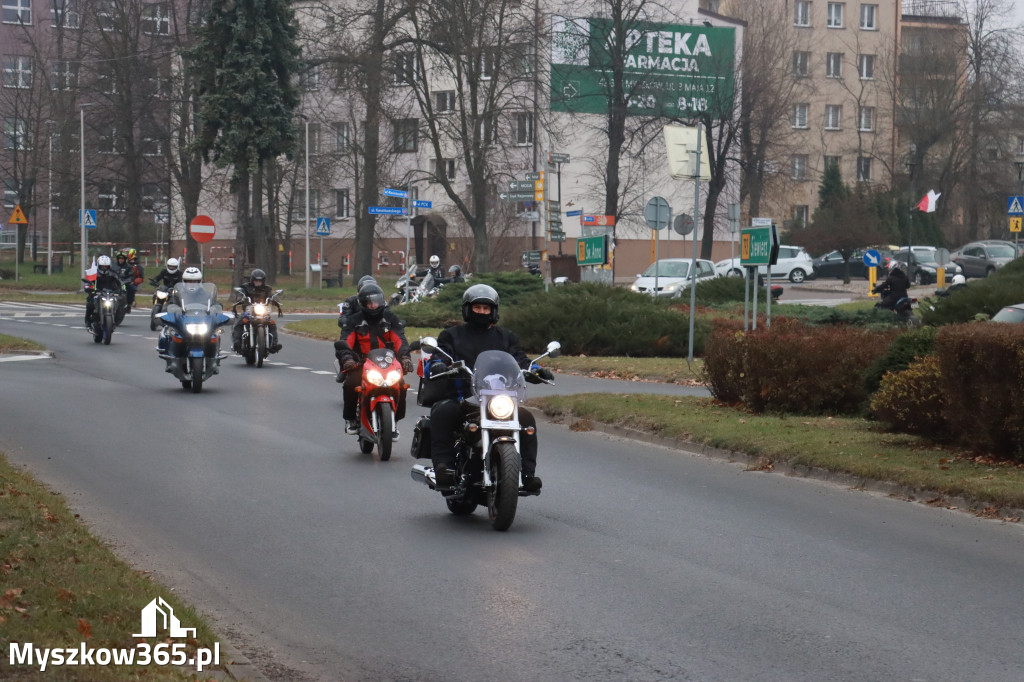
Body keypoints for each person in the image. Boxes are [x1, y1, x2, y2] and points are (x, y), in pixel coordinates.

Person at [424, 284, 552, 492]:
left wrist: (536, 370)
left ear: (494, 311)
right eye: (477, 308)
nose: (482, 312)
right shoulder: (451, 335)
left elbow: (520, 359)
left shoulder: (506, 337)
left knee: (526, 418)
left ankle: (526, 474)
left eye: (486, 308)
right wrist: (439, 364)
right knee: (443, 411)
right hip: (464, 397)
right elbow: (440, 354)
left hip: (499, 397)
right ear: (467, 309)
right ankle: (444, 467)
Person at [333, 284, 412, 435]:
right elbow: (345, 342)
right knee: (351, 383)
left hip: (387, 363)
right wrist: (348, 358)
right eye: (369, 302)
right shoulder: (353, 321)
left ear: (382, 301)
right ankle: (351, 419)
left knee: (401, 384)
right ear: (362, 303)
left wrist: (405, 357)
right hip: (361, 363)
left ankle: (394, 420)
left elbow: (400, 340)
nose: (373, 305)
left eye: (376, 301)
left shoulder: (390, 319)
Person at [231, 268, 283, 353]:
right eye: (256, 281)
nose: (258, 282)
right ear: (252, 280)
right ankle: (237, 344)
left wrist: (275, 300)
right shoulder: (246, 287)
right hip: (249, 311)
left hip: (263, 311)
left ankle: (273, 344)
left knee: (272, 324)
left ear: (263, 281)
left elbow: (272, 295)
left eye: (260, 281)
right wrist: (240, 298)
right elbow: (240, 293)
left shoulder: (267, 289)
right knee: (239, 322)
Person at [84, 255, 125, 328]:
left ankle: (116, 319)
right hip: (97, 293)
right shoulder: (94, 273)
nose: (104, 268)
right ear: (99, 266)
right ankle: (88, 320)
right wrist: (88, 288)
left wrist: (122, 289)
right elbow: (88, 281)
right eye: (102, 266)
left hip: (110, 293)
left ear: (109, 266)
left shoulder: (113, 273)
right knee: (90, 304)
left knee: (120, 304)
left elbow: (121, 282)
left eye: (106, 266)